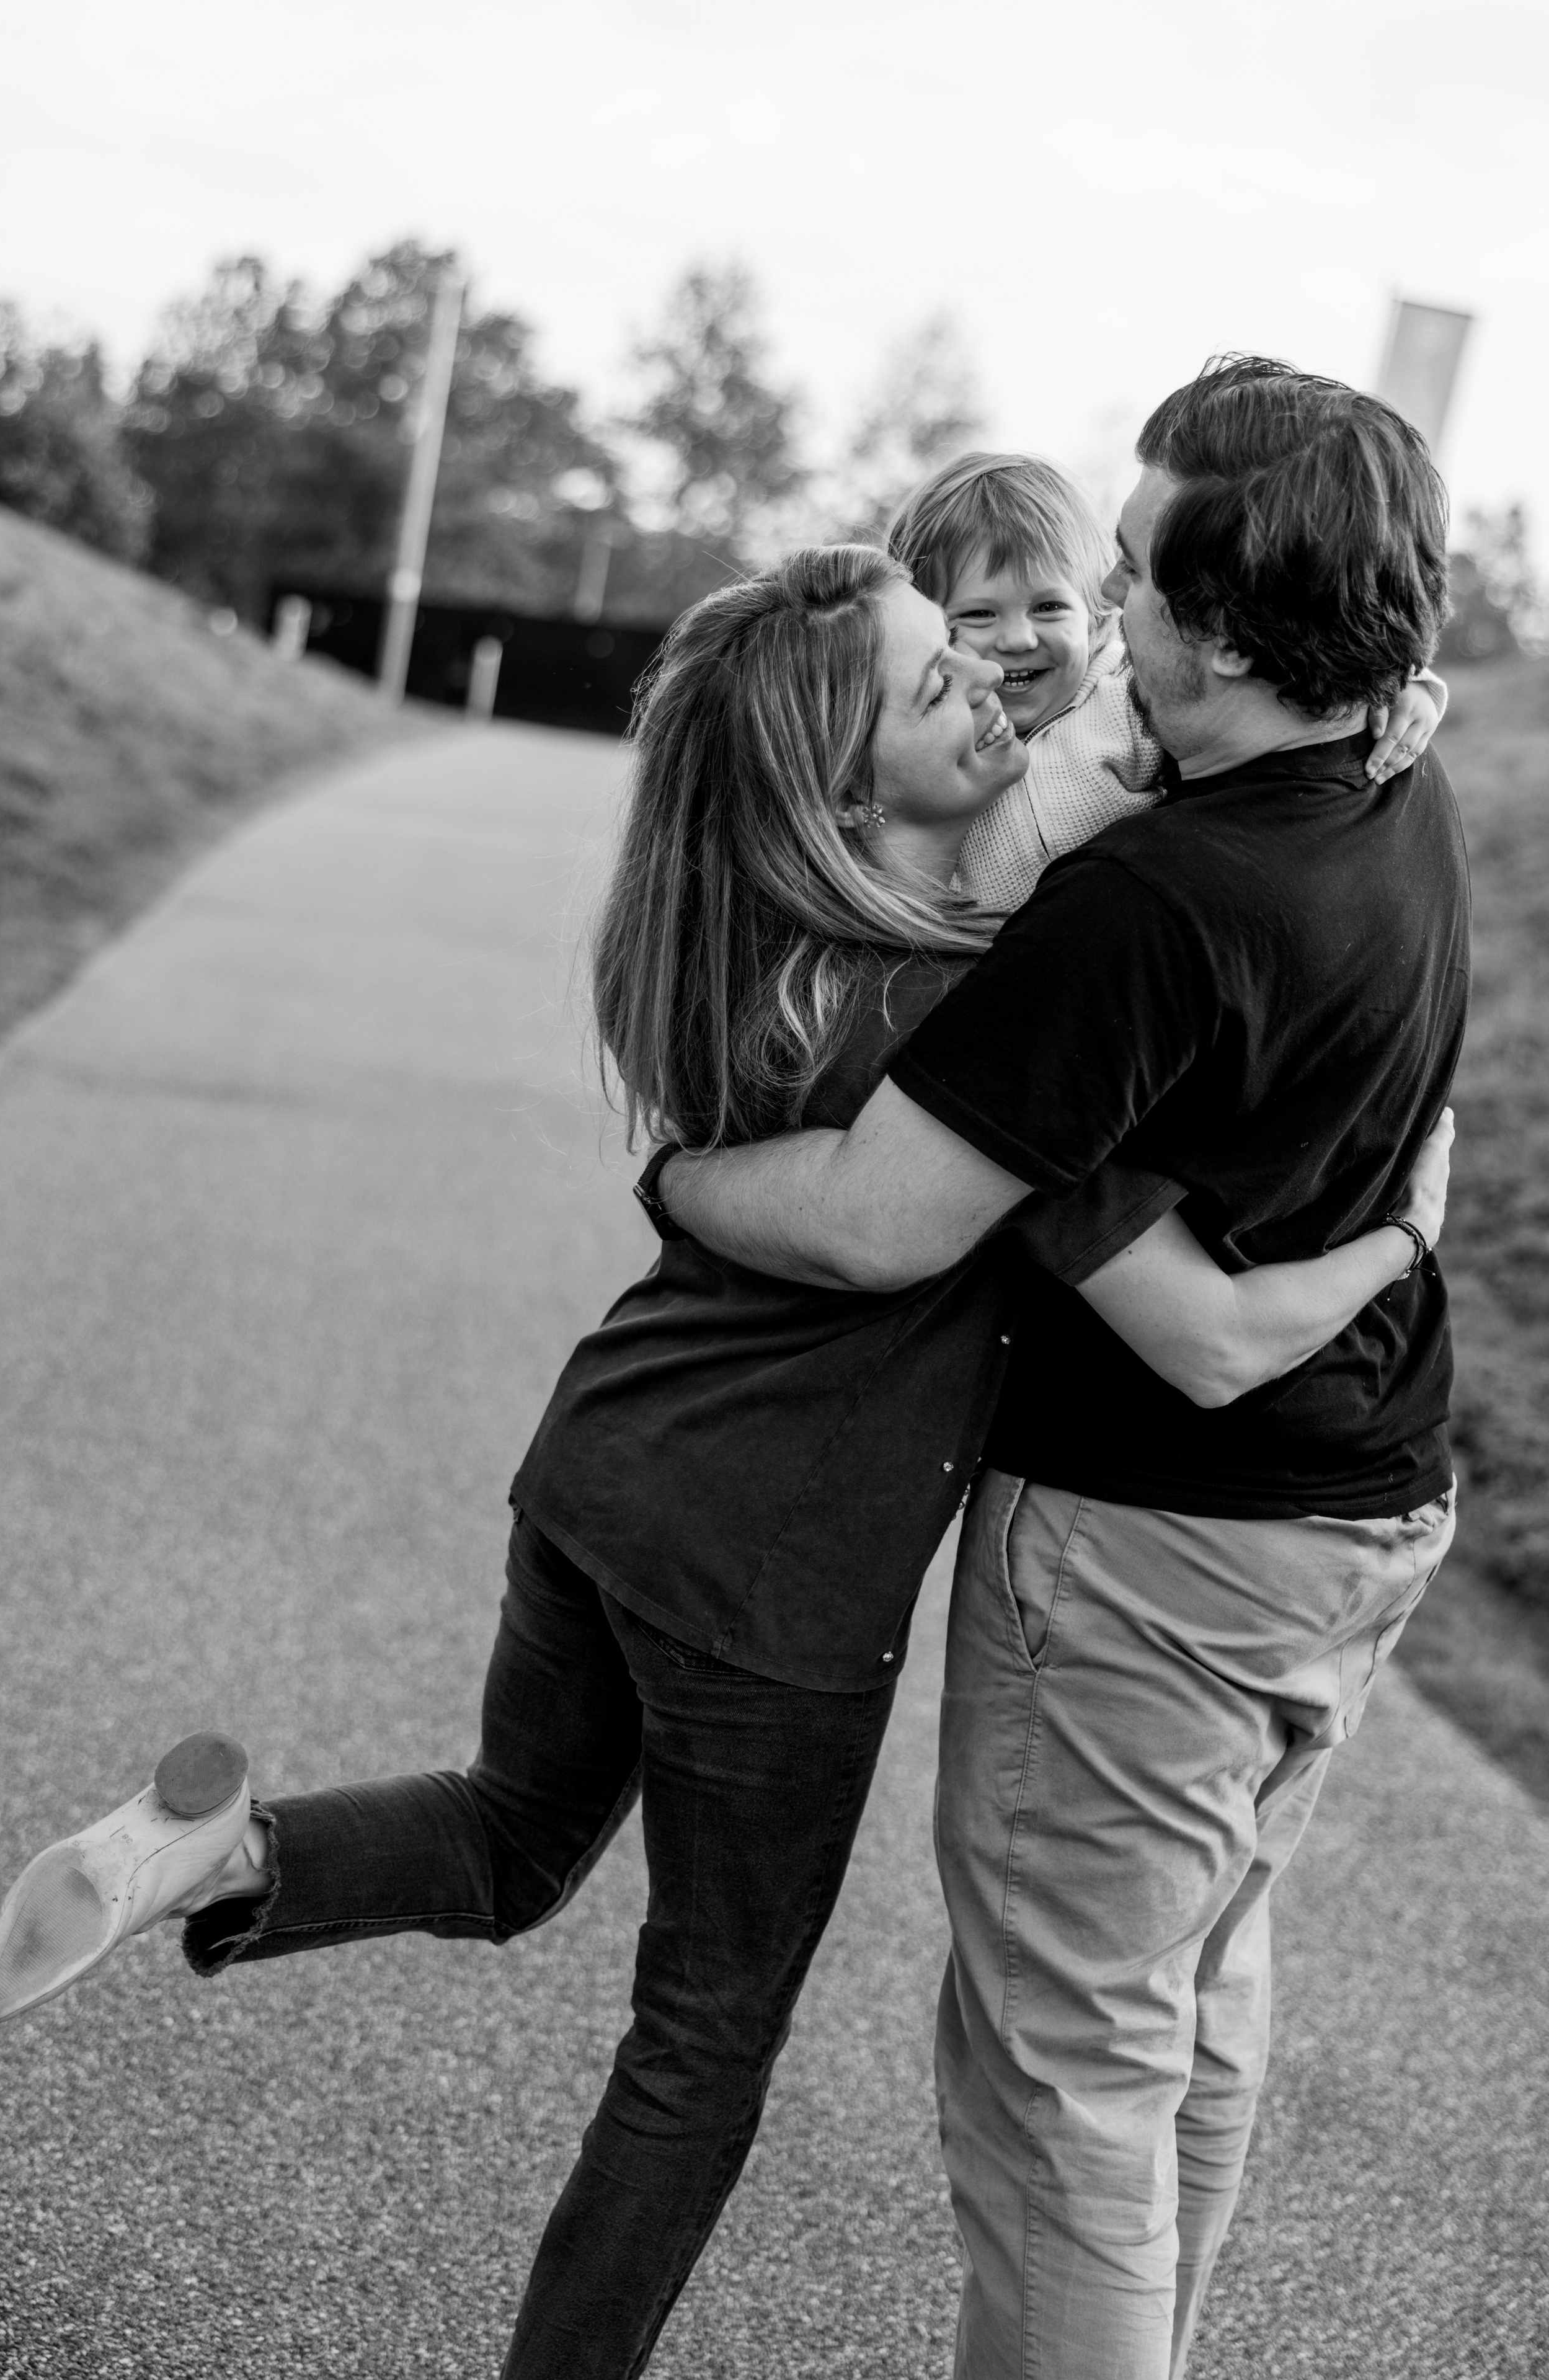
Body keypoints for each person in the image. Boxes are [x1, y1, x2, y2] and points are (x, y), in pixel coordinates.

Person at [0, 541, 1450, 2380]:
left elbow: (1071, 779)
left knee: (517, 1836)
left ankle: (214, 1849)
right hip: (774, 1571)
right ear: (846, 784)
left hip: (599, 1471)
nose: (995, 691)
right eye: (937, 686)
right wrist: (1401, 1234)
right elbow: (1210, 1335)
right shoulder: (986, 1027)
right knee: (700, 2041)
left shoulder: (760, 952)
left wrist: (1332, 700)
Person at [655, 361, 1468, 2380]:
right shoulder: (1391, 771)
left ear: (1218, 625)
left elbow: (872, 1220)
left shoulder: (1141, 906)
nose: (1096, 607)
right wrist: (1391, 1240)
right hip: (1361, 1506)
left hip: (1154, 1555)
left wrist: (680, 1170)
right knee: (1186, 2012)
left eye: (1126, 575)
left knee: (1065, 2077)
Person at [885, 447, 1447, 913]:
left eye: (1050, 608)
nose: (1018, 639)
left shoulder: (1130, 697)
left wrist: (1399, 684)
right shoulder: (921, 725)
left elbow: (1290, 665)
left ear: (1098, 609)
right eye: (979, 615)